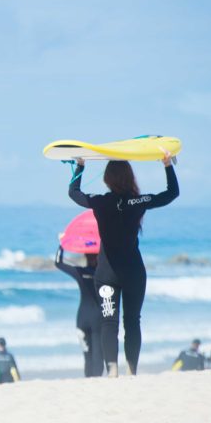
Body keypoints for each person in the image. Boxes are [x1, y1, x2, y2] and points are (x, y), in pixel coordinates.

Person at [68, 153, 179, 377]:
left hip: (106, 273)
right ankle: (131, 370)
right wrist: (167, 165)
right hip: (133, 273)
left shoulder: (100, 202)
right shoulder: (138, 201)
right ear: (129, 177)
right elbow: (171, 193)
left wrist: (80, 166)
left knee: (109, 321)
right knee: (132, 321)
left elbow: (74, 193)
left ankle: (112, 370)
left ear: (107, 178)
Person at [54, 246, 104, 377]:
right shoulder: (103, 274)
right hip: (98, 319)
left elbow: (58, 263)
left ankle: (88, 380)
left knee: (87, 355)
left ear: (85, 257)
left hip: (82, 319)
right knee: (98, 355)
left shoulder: (79, 272)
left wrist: (62, 245)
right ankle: (97, 382)